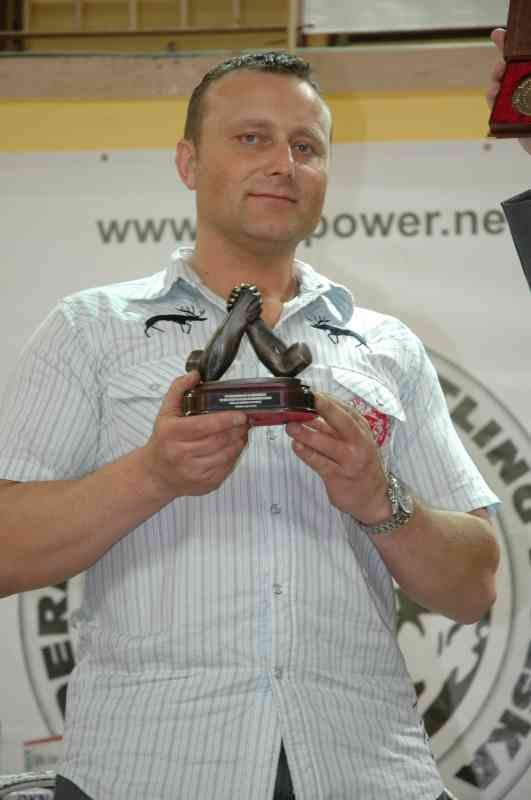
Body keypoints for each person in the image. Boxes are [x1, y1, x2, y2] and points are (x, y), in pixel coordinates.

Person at [0, 35, 509, 800]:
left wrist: (380, 498)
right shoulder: (89, 329)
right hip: (147, 772)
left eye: (305, 146)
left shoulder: (386, 347)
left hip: (365, 772)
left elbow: (473, 587)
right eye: (250, 139)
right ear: (188, 162)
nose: (282, 164)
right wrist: (151, 476)